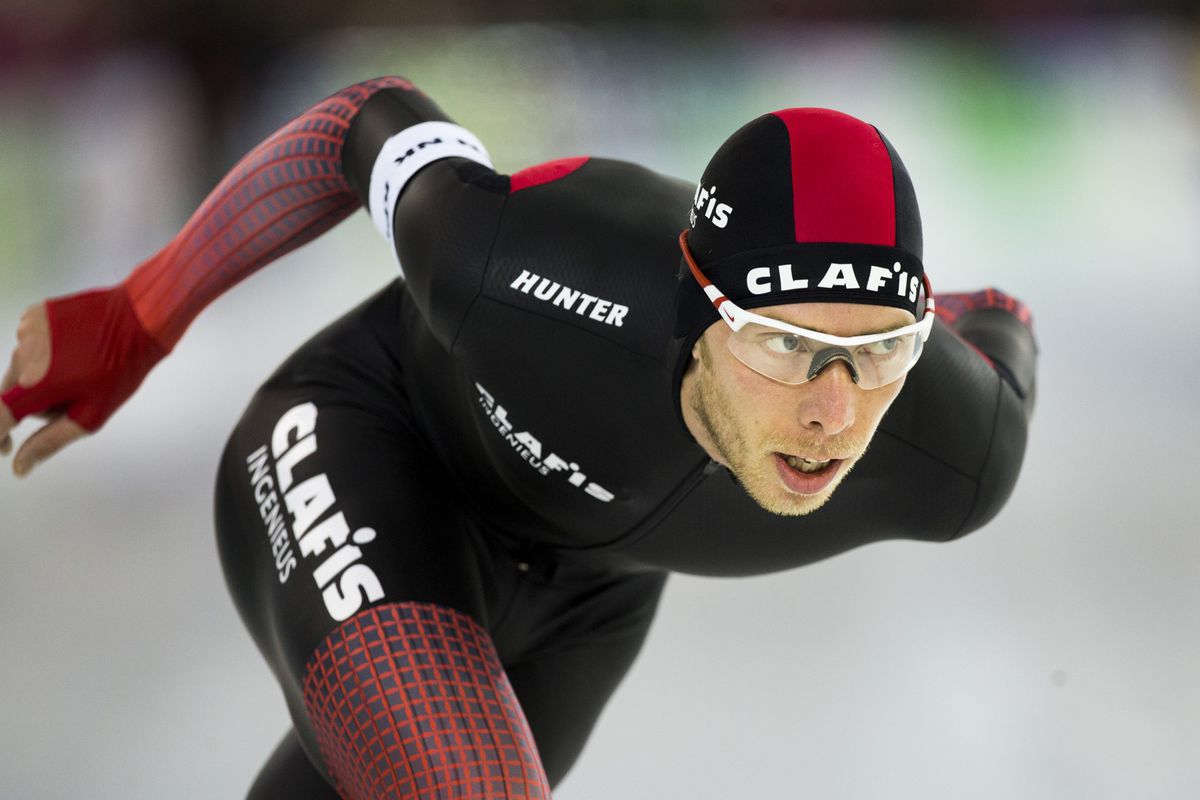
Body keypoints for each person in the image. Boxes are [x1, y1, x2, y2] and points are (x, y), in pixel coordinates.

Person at [0, 76, 1037, 799]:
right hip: (378, 443)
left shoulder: (956, 447)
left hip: (592, 593)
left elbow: (996, 312)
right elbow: (361, 119)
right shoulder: (528, 261)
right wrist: (138, 317)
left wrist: (906, 327)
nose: (835, 409)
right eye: (780, 342)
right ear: (695, 306)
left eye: (881, 349)